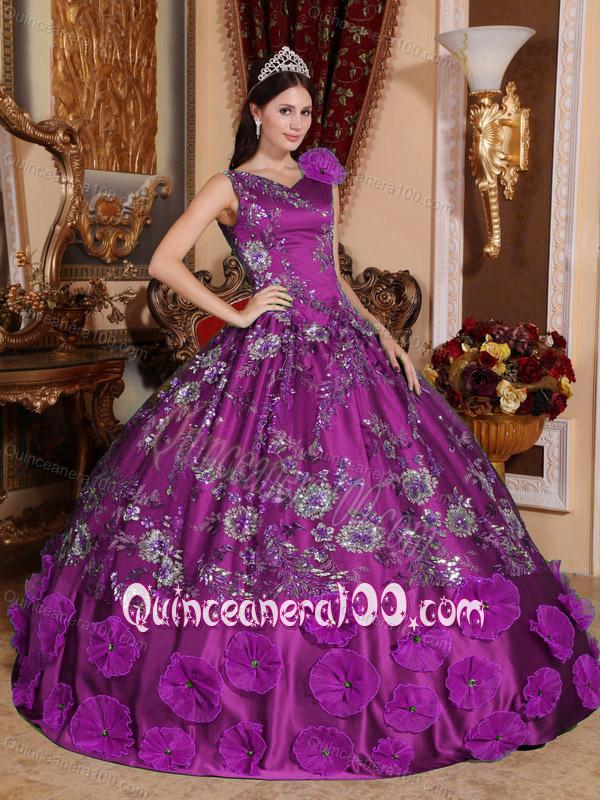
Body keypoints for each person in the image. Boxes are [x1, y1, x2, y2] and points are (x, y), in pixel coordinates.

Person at [8, 46, 599, 781]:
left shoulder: (322, 180)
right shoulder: (230, 185)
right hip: (267, 356)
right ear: (256, 111)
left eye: (306, 112)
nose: (297, 124)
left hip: (347, 347)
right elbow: (163, 261)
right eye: (284, 110)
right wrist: (236, 311)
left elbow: (332, 272)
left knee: (389, 498)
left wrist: (382, 332)